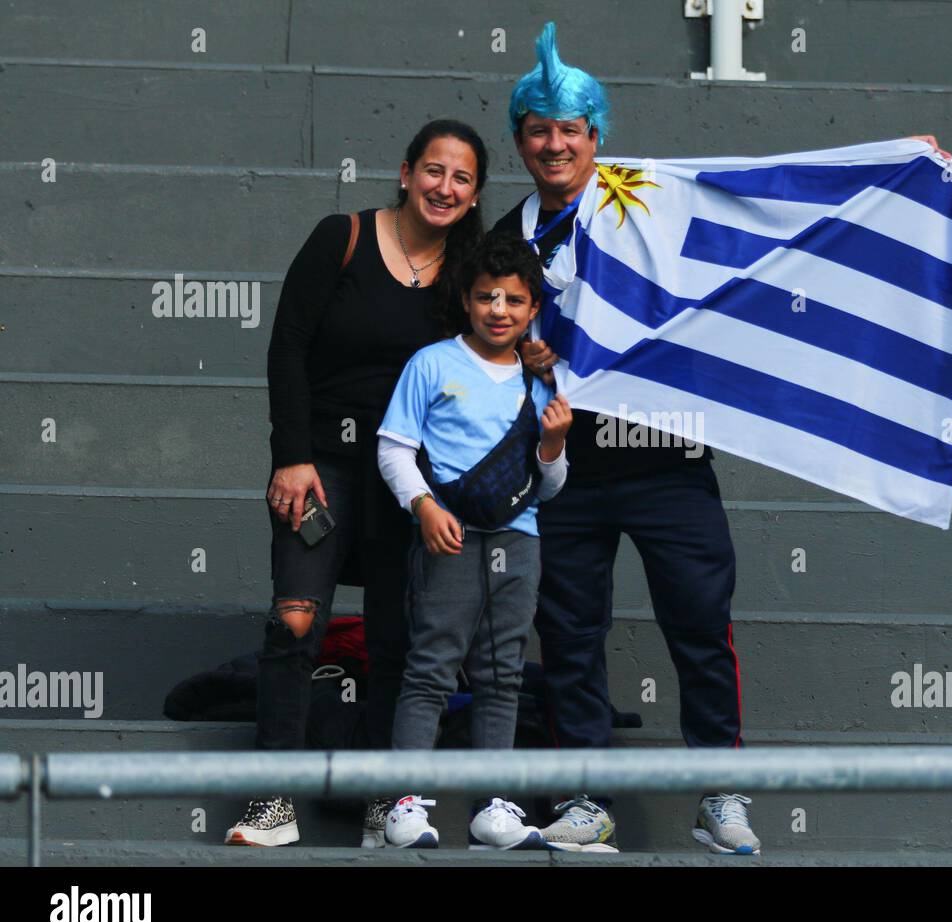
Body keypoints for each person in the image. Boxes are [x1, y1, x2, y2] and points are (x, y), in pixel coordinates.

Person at [492, 23, 759, 855]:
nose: (555, 142)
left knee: (699, 625)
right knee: (569, 636)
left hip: (667, 461)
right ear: (521, 141)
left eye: (571, 128)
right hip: (564, 470)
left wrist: (890, 172)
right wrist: (522, 355)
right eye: (539, 129)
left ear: (597, 137)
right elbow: (479, 341)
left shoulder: (646, 201)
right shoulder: (503, 239)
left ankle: (719, 793)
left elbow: (754, 214)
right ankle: (587, 798)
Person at [224, 119, 488, 848]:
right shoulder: (339, 236)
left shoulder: (471, 275)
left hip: (409, 478)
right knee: (295, 622)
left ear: (473, 197)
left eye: (462, 179)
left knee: (396, 639)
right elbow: (288, 347)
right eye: (434, 171)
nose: (445, 187)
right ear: (406, 173)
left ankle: (385, 808)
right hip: (324, 466)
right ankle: (270, 804)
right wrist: (292, 455)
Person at [374, 231, 573, 850]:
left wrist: (554, 446)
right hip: (450, 539)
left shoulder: (541, 380)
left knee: (502, 674)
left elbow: (550, 488)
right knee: (432, 668)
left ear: (533, 308)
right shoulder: (431, 363)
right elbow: (393, 448)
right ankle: (403, 805)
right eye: (487, 297)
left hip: (519, 540)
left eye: (514, 300)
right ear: (465, 299)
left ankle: (495, 808)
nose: (499, 310)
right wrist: (423, 506)